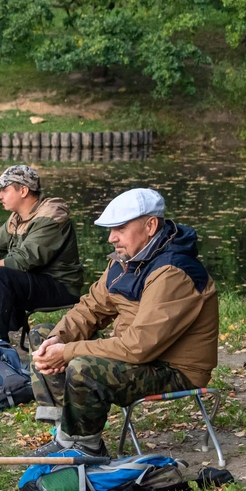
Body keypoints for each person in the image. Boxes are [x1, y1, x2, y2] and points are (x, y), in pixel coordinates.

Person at [30, 188, 219, 457]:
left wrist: (68, 352)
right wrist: (59, 340)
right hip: (137, 355)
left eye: (119, 228)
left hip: (174, 369)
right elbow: (90, 309)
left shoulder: (174, 272)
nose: (111, 238)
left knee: (84, 366)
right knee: (42, 335)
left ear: (150, 225)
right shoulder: (126, 261)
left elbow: (138, 348)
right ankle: (65, 431)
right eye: (110, 229)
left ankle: (86, 447)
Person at [0, 165, 83, 345]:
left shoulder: (51, 217)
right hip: (30, 280)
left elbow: (23, 260)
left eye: (5, 190)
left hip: (59, 286)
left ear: (23, 190)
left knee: (0, 275)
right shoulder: (17, 217)